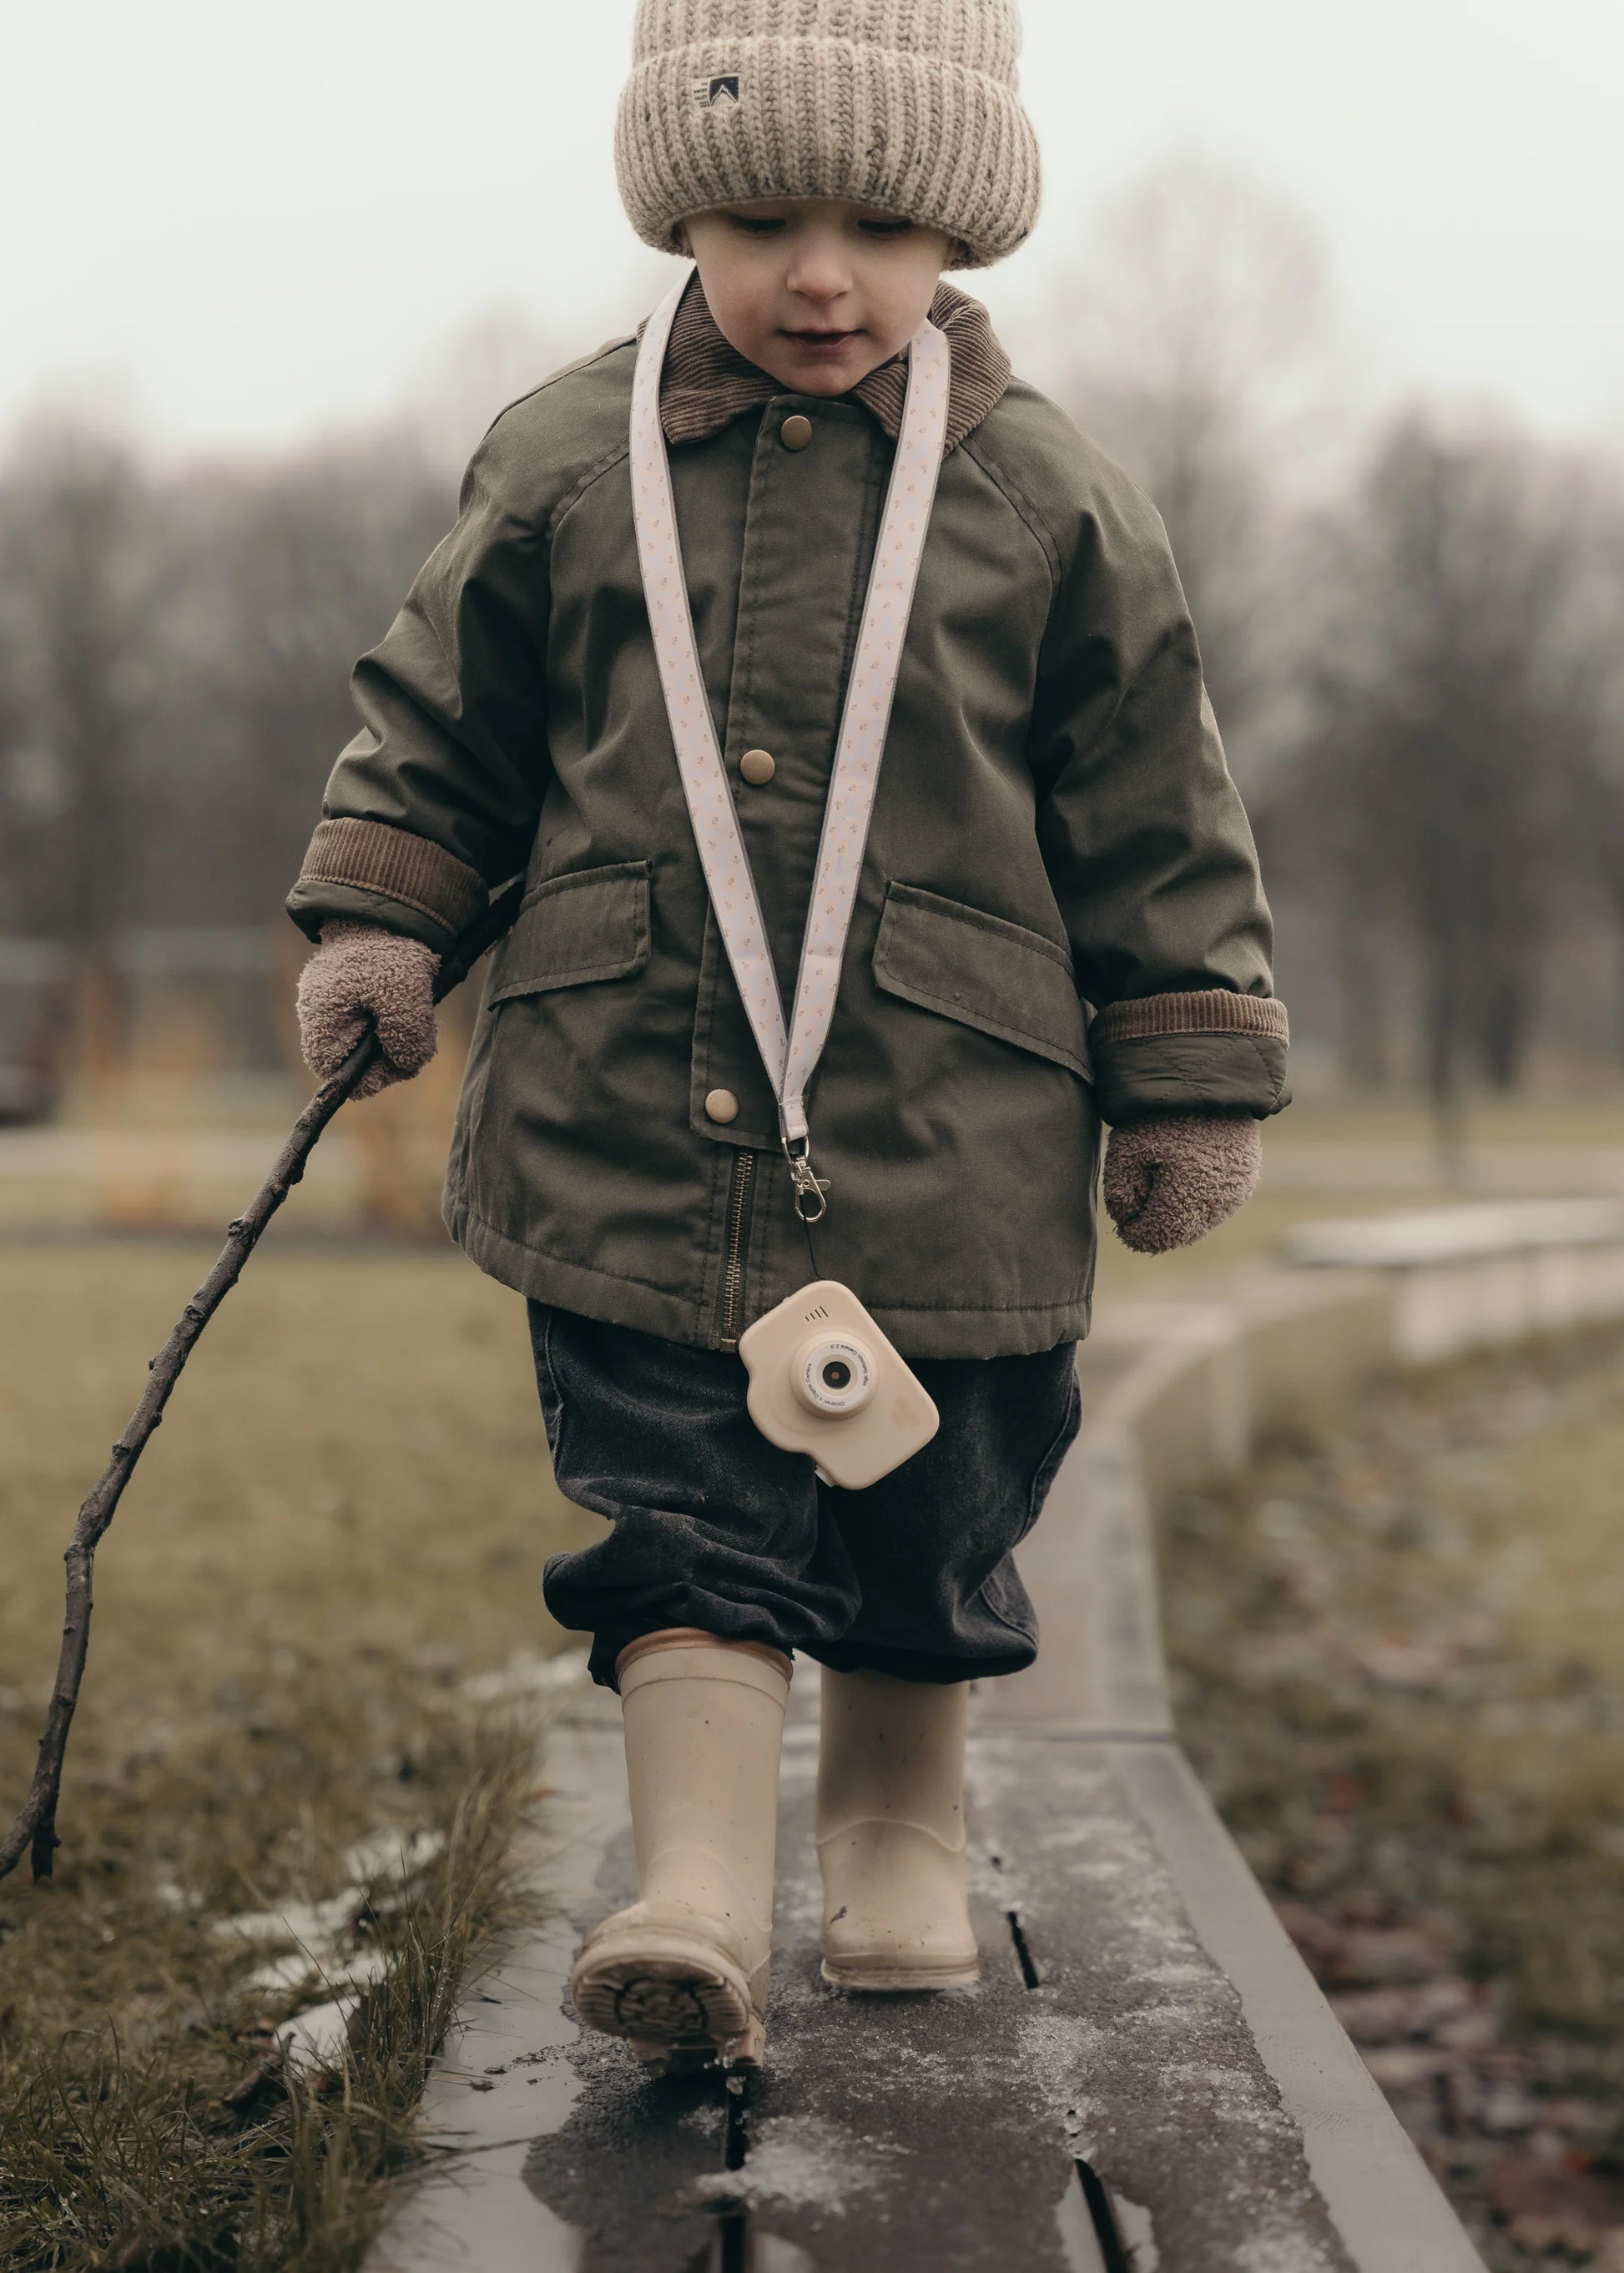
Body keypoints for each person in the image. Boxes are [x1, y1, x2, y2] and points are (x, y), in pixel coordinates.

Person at [290, 0, 1289, 2075]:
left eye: (875, 225)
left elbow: (1155, 815)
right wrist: (384, 922)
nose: (816, 274)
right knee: (678, 1506)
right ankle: (694, 1892)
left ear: (962, 234)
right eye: (756, 217)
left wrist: (1185, 1069)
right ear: (677, 204)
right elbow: (443, 725)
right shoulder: (566, 455)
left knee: (933, 1505)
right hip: (624, 1112)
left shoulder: (1047, 498)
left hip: (956, 1124)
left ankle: (901, 1838)